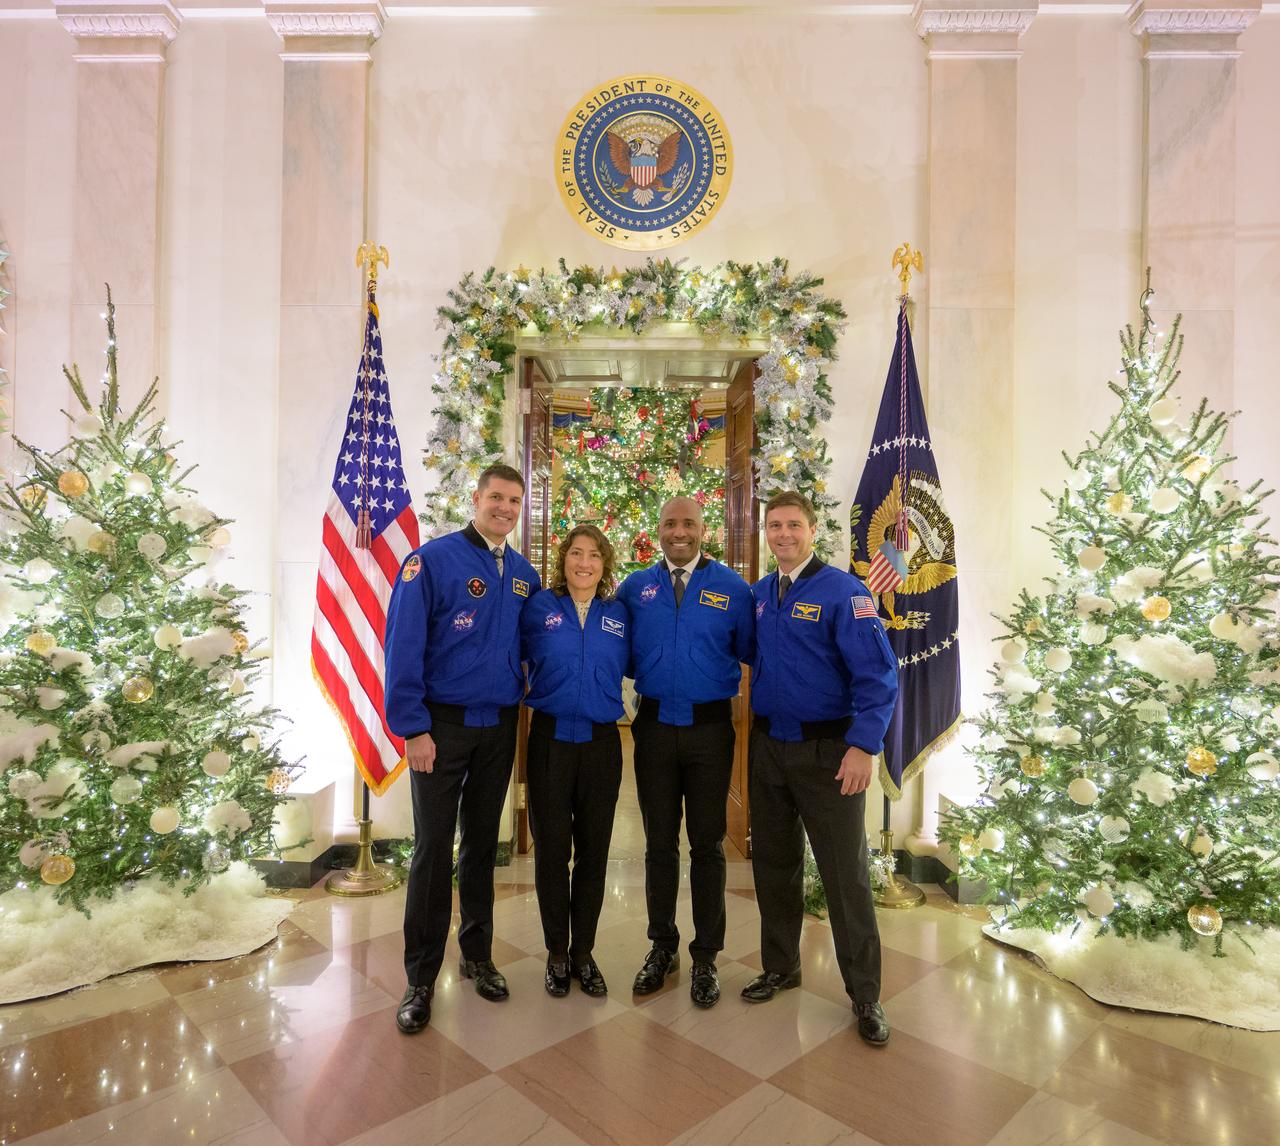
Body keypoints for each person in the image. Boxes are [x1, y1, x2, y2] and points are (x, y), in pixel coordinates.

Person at [383, 463, 541, 1034]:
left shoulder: (522, 573)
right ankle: (420, 976)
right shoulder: (433, 561)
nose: (504, 508)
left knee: (481, 846)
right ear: (475, 499)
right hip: (439, 729)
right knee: (432, 850)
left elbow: (530, 644)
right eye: (496, 497)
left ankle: (477, 955)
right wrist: (413, 727)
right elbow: (402, 645)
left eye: (514, 500)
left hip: (498, 727)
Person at [742, 491, 899, 1046]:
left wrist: (863, 747)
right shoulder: (760, 595)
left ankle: (865, 994)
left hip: (830, 754)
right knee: (774, 866)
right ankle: (781, 967)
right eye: (774, 525)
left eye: (793, 525)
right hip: (768, 750)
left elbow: (878, 678)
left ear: (812, 530)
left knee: (843, 875)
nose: (782, 534)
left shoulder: (845, 592)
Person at [617, 496, 754, 1008]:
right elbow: (620, 651)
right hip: (652, 728)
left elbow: (749, 649)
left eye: (689, 524)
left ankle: (706, 957)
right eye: (671, 523)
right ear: (658, 529)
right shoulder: (636, 588)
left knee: (707, 845)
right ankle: (662, 946)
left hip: (710, 732)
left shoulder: (733, 589)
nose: (680, 533)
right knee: (658, 845)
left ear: (704, 530)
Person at [520, 524, 630, 998]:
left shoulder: (620, 613)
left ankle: (583, 951)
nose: (584, 563)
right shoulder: (539, 607)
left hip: (602, 746)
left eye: (594, 556)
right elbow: (512, 658)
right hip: (549, 742)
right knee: (551, 853)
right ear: (563, 560)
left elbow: (639, 663)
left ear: (605, 565)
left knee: (593, 853)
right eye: (576, 554)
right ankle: (556, 953)